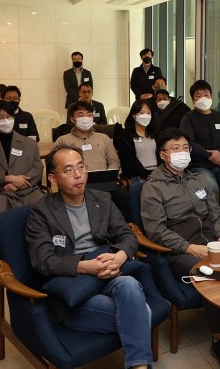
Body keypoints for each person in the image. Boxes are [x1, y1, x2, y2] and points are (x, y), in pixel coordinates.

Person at [140, 128, 220, 369]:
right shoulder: (153, 187)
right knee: (210, 274)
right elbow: (156, 231)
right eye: (175, 148)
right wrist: (189, 248)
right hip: (180, 252)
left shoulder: (198, 179)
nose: (182, 153)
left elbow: (216, 212)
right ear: (163, 155)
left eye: (185, 148)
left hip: (213, 241)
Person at [25, 146, 153, 369]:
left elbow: (127, 235)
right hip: (71, 290)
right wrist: (85, 266)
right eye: (69, 170)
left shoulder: (102, 199)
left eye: (81, 167)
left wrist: (119, 257)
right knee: (144, 313)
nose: (78, 175)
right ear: (53, 179)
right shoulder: (41, 211)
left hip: (107, 272)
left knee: (129, 284)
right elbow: (42, 261)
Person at [0, 100, 44, 257]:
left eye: (9, 116)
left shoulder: (30, 144)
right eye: (0, 118)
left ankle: (37, 255)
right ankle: (7, 259)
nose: (5, 121)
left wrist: (19, 184)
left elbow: (37, 169)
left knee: (47, 215)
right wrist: (8, 178)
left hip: (28, 191)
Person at [179, 80, 220, 218]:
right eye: (198, 95)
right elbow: (188, 142)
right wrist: (210, 156)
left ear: (211, 96)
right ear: (192, 99)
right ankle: (213, 220)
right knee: (211, 189)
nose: (203, 98)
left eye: (206, 94)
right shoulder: (188, 118)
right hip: (199, 165)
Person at [55, 101, 120, 172]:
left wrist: (108, 175)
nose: (85, 118)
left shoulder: (104, 138)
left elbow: (114, 161)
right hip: (74, 178)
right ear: (72, 119)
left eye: (89, 115)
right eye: (81, 115)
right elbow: (55, 164)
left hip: (102, 178)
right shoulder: (62, 141)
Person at [113, 100, 159, 186]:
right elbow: (129, 162)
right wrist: (148, 175)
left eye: (148, 113)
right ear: (134, 115)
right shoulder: (125, 137)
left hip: (159, 173)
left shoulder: (155, 134)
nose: (145, 116)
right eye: (141, 112)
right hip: (137, 175)